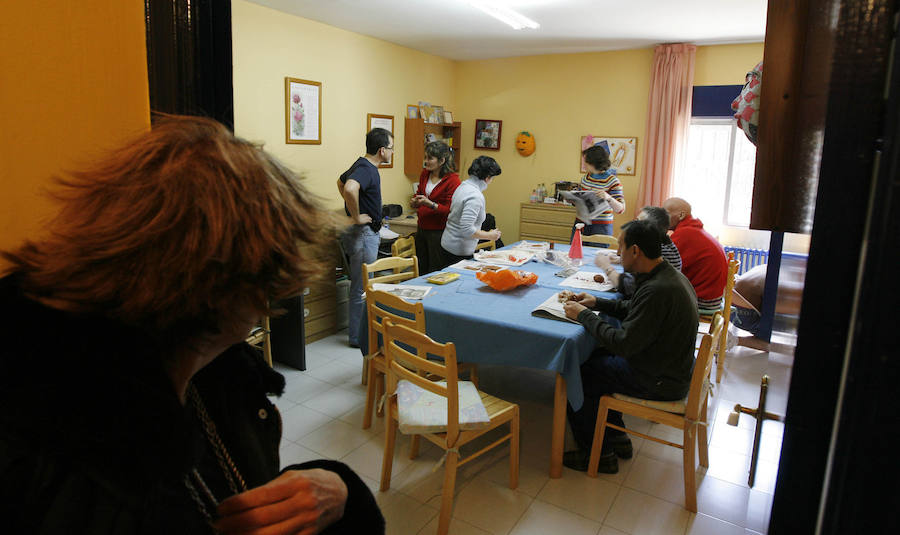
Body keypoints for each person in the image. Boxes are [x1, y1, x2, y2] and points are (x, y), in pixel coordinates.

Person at [0, 116, 384, 533]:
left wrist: (341, 489)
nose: (269, 298)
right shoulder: (49, 467)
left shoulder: (211, 368)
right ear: (231, 280)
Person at [561, 219, 699, 473]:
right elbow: (635, 310)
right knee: (596, 357)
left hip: (661, 380)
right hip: (668, 366)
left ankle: (598, 455)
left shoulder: (658, 289)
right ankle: (616, 438)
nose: (617, 253)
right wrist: (596, 303)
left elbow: (623, 344)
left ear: (635, 251)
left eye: (621, 247)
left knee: (580, 372)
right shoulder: (665, 275)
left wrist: (582, 315)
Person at [337, 127, 393, 348]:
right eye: (391, 148)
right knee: (361, 286)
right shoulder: (367, 169)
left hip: (363, 233)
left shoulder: (360, 164)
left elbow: (340, 182)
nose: (392, 152)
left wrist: (353, 211)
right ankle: (356, 337)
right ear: (381, 150)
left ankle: (359, 333)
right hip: (363, 234)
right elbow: (349, 188)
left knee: (361, 284)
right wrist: (356, 215)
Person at [595, 206, 682, 296]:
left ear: (649, 228)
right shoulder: (665, 243)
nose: (633, 225)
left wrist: (606, 267)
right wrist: (620, 260)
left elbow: (627, 286)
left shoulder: (659, 251)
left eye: (638, 222)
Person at [663, 197, 728, 314]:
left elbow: (659, 265)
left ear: (681, 215)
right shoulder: (693, 230)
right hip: (714, 297)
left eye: (666, 213)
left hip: (703, 300)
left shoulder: (685, 234)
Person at [440, 156, 503, 265]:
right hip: (458, 251)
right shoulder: (475, 196)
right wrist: (490, 235)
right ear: (487, 178)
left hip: (448, 245)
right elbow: (467, 229)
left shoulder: (462, 186)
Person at [411, 141, 460, 274]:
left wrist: (430, 204)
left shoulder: (453, 180)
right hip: (422, 228)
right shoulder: (425, 174)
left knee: (435, 269)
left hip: (439, 232)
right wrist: (415, 201)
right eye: (425, 157)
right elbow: (419, 193)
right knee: (421, 268)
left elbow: (450, 210)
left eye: (430, 158)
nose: (426, 161)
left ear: (441, 160)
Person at [575, 144, 626, 236]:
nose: (584, 164)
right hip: (581, 224)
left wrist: (608, 198)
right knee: (575, 250)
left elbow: (621, 209)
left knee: (598, 251)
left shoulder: (612, 181)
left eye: (585, 161)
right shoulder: (585, 178)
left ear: (593, 162)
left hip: (600, 227)